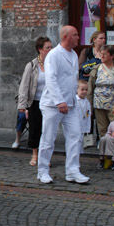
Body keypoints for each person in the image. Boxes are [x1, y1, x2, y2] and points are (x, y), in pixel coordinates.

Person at [37, 26, 89, 185]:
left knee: (75, 136)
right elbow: (51, 79)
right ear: (66, 37)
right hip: (52, 104)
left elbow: (72, 79)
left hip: (71, 103)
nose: (78, 37)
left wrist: (71, 99)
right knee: (48, 138)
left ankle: (72, 171)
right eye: (75, 35)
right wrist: (59, 101)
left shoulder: (73, 54)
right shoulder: (53, 55)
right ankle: (42, 171)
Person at [16, 37, 52, 165]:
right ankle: (35, 154)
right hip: (35, 102)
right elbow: (24, 86)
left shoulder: (53, 64)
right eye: (47, 47)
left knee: (47, 130)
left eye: (51, 47)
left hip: (49, 102)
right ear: (40, 49)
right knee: (35, 129)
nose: (50, 50)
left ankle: (45, 156)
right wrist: (22, 105)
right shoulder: (31, 65)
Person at [87, 45, 114, 140]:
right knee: (102, 129)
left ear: (112, 56)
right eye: (101, 54)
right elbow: (90, 88)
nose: (102, 56)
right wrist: (89, 104)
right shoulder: (96, 69)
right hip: (98, 104)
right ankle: (104, 146)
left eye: (104, 54)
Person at [74, 80, 92, 157]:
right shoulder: (75, 100)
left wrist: (88, 128)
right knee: (75, 143)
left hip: (83, 126)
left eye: (86, 90)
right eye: (82, 89)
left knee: (80, 143)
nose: (84, 91)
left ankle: (78, 159)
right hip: (75, 126)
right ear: (77, 89)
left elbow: (88, 115)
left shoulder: (87, 102)